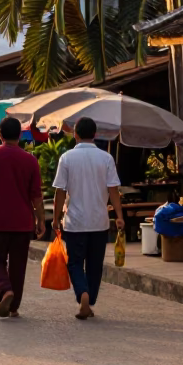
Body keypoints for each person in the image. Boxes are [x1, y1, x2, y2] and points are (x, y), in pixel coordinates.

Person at [52, 117, 125, 320]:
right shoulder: (106, 158)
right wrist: (119, 216)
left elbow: (60, 191)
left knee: (75, 263)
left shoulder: (66, 158)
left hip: (74, 222)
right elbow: (113, 190)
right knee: (94, 264)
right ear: (95, 134)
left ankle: (82, 293)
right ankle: (89, 299)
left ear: (75, 134)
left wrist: (56, 218)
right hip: (99, 221)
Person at [0, 116, 45, 318]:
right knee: (18, 265)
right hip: (23, 223)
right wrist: (40, 220)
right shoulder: (30, 160)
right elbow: (36, 196)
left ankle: (5, 288)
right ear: (20, 135)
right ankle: (14, 306)